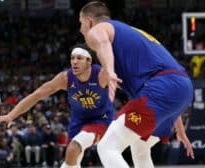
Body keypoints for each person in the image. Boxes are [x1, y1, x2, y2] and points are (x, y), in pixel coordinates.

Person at [78, 1, 194, 168]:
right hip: (181, 89)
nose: (80, 29)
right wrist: (179, 128)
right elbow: (170, 84)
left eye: (81, 23)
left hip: (160, 88)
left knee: (107, 147)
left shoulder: (99, 29)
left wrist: (109, 71)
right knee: (140, 146)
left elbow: (103, 43)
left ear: (89, 21)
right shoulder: (128, 35)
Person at [0, 44, 114, 168]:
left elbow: (128, 84)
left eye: (79, 58)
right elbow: (36, 95)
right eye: (72, 58)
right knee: (71, 159)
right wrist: (11, 115)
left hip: (100, 119)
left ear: (88, 61)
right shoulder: (65, 78)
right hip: (78, 120)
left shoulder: (101, 75)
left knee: (73, 149)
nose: (74, 61)